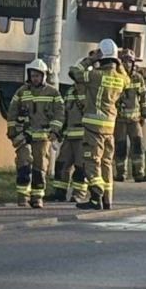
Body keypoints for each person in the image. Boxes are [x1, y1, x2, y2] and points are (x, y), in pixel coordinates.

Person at [78, 39, 130, 210]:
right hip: (110, 127)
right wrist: (119, 63)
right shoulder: (121, 79)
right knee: (107, 162)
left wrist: (91, 59)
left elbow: (75, 73)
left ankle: (96, 195)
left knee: (92, 160)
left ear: (102, 57)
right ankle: (107, 200)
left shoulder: (95, 76)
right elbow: (127, 80)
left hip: (94, 127)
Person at [7, 58, 64, 209]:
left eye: (37, 75)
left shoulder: (53, 93)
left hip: (43, 138)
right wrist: (13, 133)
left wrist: (55, 131)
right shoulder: (21, 92)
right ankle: (22, 197)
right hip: (24, 137)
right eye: (32, 75)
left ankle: (37, 197)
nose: (35, 78)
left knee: (40, 167)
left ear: (44, 76)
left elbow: (59, 114)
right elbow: (12, 112)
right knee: (23, 164)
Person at [52, 60, 89, 204]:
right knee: (61, 164)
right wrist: (59, 132)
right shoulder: (70, 91)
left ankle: (79, 194)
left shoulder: (88, 91)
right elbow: (65, 113)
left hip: (83, 136)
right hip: (69, 135)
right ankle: (59, 193)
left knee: (81, 167)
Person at [116, 48, 146, 182]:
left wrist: (145, 115)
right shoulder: (116, 76)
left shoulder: (138, 78)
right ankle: (120, 173)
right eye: (124, 61)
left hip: (135, 120)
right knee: (120, 147)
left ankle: (139, 173)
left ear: (133, 63)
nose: (127, 64)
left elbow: (144, 97)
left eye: (130, 62)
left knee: (137, 146)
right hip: (119, 120)